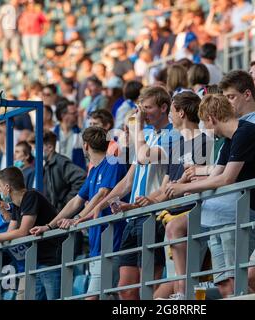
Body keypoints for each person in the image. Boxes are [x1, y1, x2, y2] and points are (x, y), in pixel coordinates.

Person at [165, 94, 255, 293]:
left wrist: (183, 188)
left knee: (250, 276)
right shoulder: (230, 140)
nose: (205, 129)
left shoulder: (246, 133)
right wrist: (186, 187)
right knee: (247, 278)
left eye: (204, 123)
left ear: (211, 119)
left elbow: (226, 179)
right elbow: (215, 175)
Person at [83, 86, 176, 300]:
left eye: (148, 108)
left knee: (148, 285)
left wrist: (137, 128)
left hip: (152, 214)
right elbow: (127, 181)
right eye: (141, 109)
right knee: (125, 289)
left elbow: (144, 157)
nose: (143, 113)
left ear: (163, 108)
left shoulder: (171, 134)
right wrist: (101, 205)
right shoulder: (148, 136)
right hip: (132, 217)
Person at [30, 127, 128, 300]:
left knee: (93, 297)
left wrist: (78, 219)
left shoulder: (112, 163)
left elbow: (103, 194)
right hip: (96, 244)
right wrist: (49, 225)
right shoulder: (94, 171)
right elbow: (76, 201)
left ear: (85, 146)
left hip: (111, 242)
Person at [134, 91, 212, 300]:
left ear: (182, 113)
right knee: (179, 268)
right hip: (175, 211)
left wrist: (180, 185)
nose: (169, 116)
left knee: (197, 270)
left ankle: (184, 294)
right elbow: (166, 186)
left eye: (173, 111)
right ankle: (181, 293)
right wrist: (146, 202)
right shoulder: (176, 144)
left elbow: (196, 176)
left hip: (195, 210)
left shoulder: (204, 140)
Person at [0, 167, 63, 300]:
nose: (0, 190)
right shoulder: (17, 206)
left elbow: (22, 232)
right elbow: (9, 235)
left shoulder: (31, 196)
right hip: (36, 262)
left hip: (51, 260)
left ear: (7, 187)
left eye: (0, 186)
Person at [42, 131, 86, 211]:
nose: (36, 150)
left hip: (64, 216)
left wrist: (66, 203)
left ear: (50, 147)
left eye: (39, 147)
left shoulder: (60, 162)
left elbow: (81, 178)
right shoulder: (47, 166)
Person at [53, 99, 86, 169]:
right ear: (63, 115)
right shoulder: (52, 133)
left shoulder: (80, 133)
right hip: (58, 174)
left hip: (76, 175)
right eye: (73, 113)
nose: (77, 115)